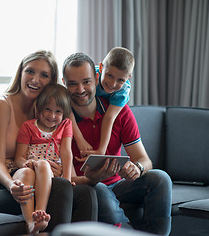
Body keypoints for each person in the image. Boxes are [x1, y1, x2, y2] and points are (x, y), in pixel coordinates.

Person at [0, 50, 97, 233]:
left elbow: (65, 113)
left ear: (51, 81)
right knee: (61, 187)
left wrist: (62, 169)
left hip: (31, 179)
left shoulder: (43, 113)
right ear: (21, 72)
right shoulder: (2, 106)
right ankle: (35, 226)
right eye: (30, 71)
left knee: (86, 193)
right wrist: (11, 185)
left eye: (44, 75)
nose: (35, 79)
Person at [62, 52, 172, 235]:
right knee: (99, 189)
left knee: (160, 178)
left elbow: (145, 160)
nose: (80, 89)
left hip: (117, 185)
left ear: (97, 78)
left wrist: (137, 167)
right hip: (85, 186)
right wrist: (93, 178)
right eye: (72, 84)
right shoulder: (58, 118)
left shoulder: (120, 110)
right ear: (64, 84)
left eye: (86, 82)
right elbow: (66, 179)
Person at [14, 84, 74, 233]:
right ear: (39, 107)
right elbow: (19, 158)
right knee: (38, 166)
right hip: (30, 171)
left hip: (50, 173)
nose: (52, 116)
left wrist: (66, 178)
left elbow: (66, 152)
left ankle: (39, 215)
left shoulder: (65, 125)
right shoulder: (28, 126)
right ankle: (31, 223)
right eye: (47, 109)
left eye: (58, 112)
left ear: (64, 113)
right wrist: (25, 163)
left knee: (44, 165)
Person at [70, 47, 133, 161]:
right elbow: (66, 101)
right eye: (109, 75)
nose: (112, 84)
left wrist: (101, 150)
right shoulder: (89, 76)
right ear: (100, 68)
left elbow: (109, 118)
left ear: (128, 78)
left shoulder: (122, 92)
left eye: (120, 80)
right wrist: (80, 139)